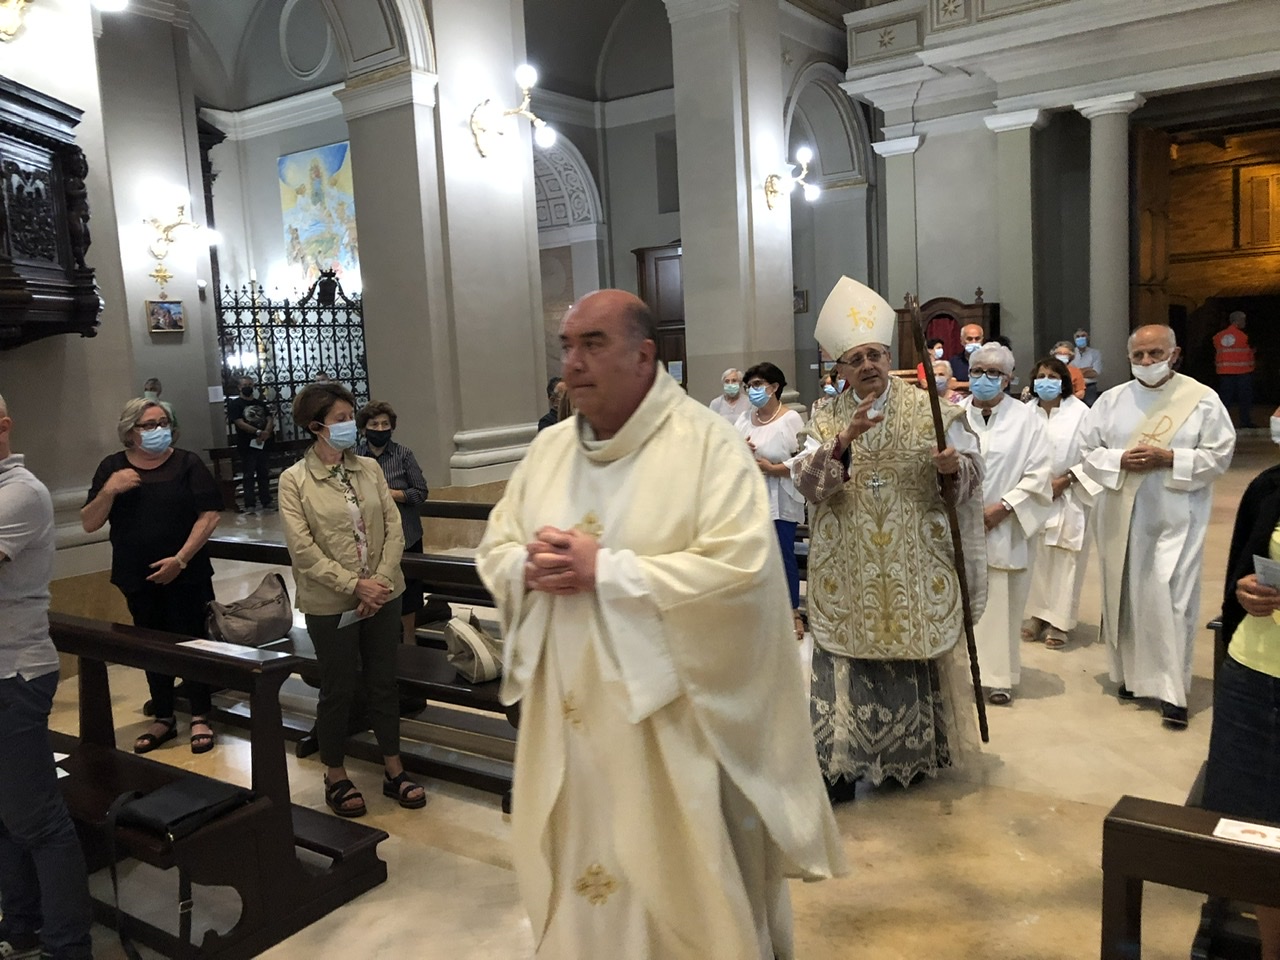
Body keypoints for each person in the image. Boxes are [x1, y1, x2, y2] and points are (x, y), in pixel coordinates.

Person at [476, 289, 845, 959]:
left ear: (645, 356)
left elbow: (740, 572)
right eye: (567, 346)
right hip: (569, 725)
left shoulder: (708, 447)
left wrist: (606, 570)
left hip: (670, 727)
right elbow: (495, 547)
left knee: (680, 892)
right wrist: (525, 566)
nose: (573, 363)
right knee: (585, 875)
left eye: (593, 344)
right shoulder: (549, 450)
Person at [792, 276, 987, 798]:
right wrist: (844, 440)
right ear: (840, 369)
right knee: (845, 659)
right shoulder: (824, 417)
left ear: (888, 355)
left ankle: (912, 758)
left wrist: (953, 467)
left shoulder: (931, 409)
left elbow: (971, 477)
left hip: (911, 561)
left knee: (908, 653)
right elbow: (806, 483)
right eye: (854, 359)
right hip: (848, 564)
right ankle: (839, 765)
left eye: (874, 354)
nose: (867, 366)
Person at [1073, 325, 1236, 728]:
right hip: (1119, 514)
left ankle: (1172, 691)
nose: (1146, 361)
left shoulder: (1201, 399)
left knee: (1170, 598)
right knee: (1125, 595)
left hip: (1175, 516)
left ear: (1174, 354)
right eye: (1138, 355)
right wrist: (1119, 460)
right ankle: (1131, 677)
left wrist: (1171, 458)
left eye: (1155, 353)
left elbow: (1219, 454)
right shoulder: (1111, 400)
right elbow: (1086, 451)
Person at [278, 382, 424, 817]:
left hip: (384, 594)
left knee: (383, 682)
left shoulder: (369, 469)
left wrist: (379, 581)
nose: (350, 426)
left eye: (349, 417)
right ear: (315, 426)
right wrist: (354, 586)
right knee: (337, 687)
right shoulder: (294, 480)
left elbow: (394, 528)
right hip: (330, 602)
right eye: (340, 419)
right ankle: (335, 772)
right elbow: (303, 549)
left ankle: (394, 767)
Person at [0, 394, 94, 960]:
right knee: (5, 816)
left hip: (15, 675)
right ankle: (22, 928)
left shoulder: (21, 493)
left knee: (38, 820)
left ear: (3, 426)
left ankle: (68, 947)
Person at [81, 398, 223, 754]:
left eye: (163, 423)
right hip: (137, 576)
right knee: (151, 646)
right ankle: (163, 715)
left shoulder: (187, 463)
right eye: (149, 425)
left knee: (192, 642)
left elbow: (209, 516)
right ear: (130, 431)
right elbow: (89, 522)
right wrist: (110, 489)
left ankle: (200, 715)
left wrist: (181, 559)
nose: (159, 429)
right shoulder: (112, 467)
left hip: (185, 572)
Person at [1206, 412, 1280, 959]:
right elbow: (1242, 573)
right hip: (1253, 676)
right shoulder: (1269, 487)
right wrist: (1245, 589)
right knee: (1256, 829)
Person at [963, 343, 1053, 705]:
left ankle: (999, 678)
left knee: (1002, 605)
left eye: (993, 373)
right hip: (959, 525)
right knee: (960, 604)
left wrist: (1003, 507)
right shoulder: (953, 416)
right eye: (977, 371)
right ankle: (961, 676)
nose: (983, 379)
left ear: (1008, 378)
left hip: (1006, 524)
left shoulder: (1028, 420)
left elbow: (1040, 473)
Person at [1022, 356, 1091, 649]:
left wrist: (1067, 480)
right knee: (1036, 559)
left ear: (1064, 381)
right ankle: (1037, 615)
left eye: (1053, 376)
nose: (1046, 381)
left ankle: (1060, 622)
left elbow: (1094, 453)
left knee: (1065, 559)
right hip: (1033, 494)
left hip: (1069, 494)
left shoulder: (1081, 413)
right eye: (1041, 376)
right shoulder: (1025, 412)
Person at [736, 362, 806, 639]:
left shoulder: (790, 419)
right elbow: (731, 451)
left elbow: (804, 457)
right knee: (754, 553)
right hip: (752, 494)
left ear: (774, 387)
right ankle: (760, 611)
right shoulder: (744, 419)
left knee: (783, 553)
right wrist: (741, 449)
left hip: (781, 493)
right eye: (749, 386)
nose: (751, 391)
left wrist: (775, 468)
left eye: (757, 385)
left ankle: (792, 611)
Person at [356, 401, 429, 646]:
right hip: (369, 535)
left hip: (406, 533)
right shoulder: (355, 456)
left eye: (385, 424)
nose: (380, 428)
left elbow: (420, 492)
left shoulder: (403, 455)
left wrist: (391, 494)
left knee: (409, 589)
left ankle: (409, 636)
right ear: (364, 429)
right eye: (374, 424)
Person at [226, 376, 276, 514]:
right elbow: (239, 422)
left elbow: (269, 418)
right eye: (245, 385)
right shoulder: (235, 404)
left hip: (263, 443)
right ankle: (250, 503)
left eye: (250, 384)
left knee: (263, 473)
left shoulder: (259, 403)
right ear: (239, 387)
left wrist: (266, 432)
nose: (248, 387)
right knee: (248, 474)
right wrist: (257, 432)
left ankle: (266, 500)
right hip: (246, 444)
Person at [1214, 310, 1256, 428]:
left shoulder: (1218, 336)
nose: (1245, 323)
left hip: (1224, 372)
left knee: (1225, 400)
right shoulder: (1244, 337)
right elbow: (1248, 353)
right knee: (1245, 399)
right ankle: (1245, 422)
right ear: (1238, 321)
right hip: (1242, 372)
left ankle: (1221, 424)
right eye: (1243, 320)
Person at [1073, 328, 1103, 406]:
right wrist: (1087, 369)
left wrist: (1076, 372)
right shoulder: (1071, 353)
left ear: (1088, 338)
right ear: (1074, 339)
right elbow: (1068, 372)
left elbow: (1095, 373)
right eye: (1078, 336)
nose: (1080, 338)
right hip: (1073, 387)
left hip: (1090, 388)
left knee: (1091, 408)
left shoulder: (1095, 353)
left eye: (1083, 336)